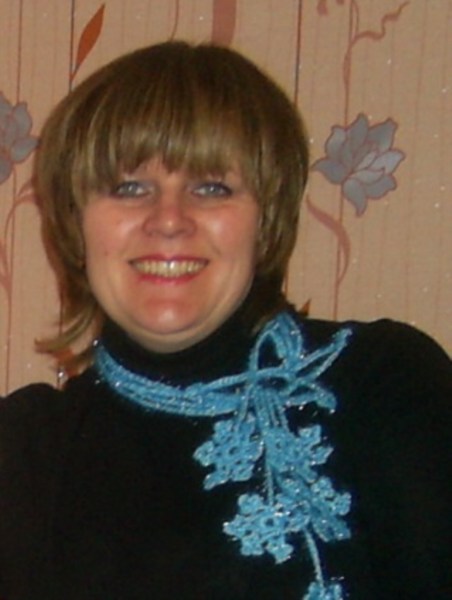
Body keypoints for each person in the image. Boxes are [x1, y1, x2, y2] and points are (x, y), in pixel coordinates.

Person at [0, 40, 450, 600]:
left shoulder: (383, 384)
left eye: (211, 187)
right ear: (75, 220)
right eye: (129, 187)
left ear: (266, 218)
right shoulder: (24, 452)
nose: (169, 220)